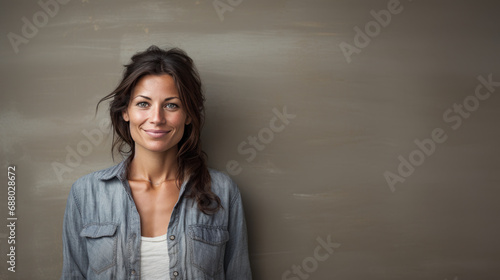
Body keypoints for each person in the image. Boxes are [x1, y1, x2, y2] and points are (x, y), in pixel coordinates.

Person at [60, 45, 252, 279]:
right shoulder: (86, 193)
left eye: (171, 105)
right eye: (143, 104)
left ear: (189, 114)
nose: (157, 118)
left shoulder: (222, 191)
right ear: (125, 111)